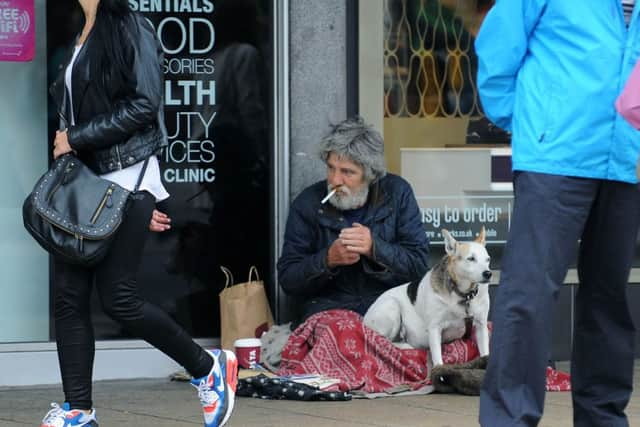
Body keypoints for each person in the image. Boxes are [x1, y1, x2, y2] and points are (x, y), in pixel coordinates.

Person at [43, 1, 237, 426]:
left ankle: (208, 369)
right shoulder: (81, 28)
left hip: (127, 178)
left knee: (119, 300)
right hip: (87, 184)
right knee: (68, 299)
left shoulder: (130, 25)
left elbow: (146, 104)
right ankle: (78, 410)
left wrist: (76, 136)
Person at [475, 1, 640, 426]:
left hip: (626, 159)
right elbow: (497, 48)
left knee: (608, 299)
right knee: (528, 296)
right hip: (553, 158)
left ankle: (603, 418)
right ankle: (509, 419)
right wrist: (531, 122)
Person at [277, 117, 429, 324]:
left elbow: (418, 266)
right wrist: (327, 260)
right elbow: (288, 279)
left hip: (390, 305)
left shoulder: (397, 193)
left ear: (370, 174)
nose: (335, 180)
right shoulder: (309, 203)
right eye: (331, 168)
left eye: (347, 172)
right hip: (328, 309)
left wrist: (374, 248)